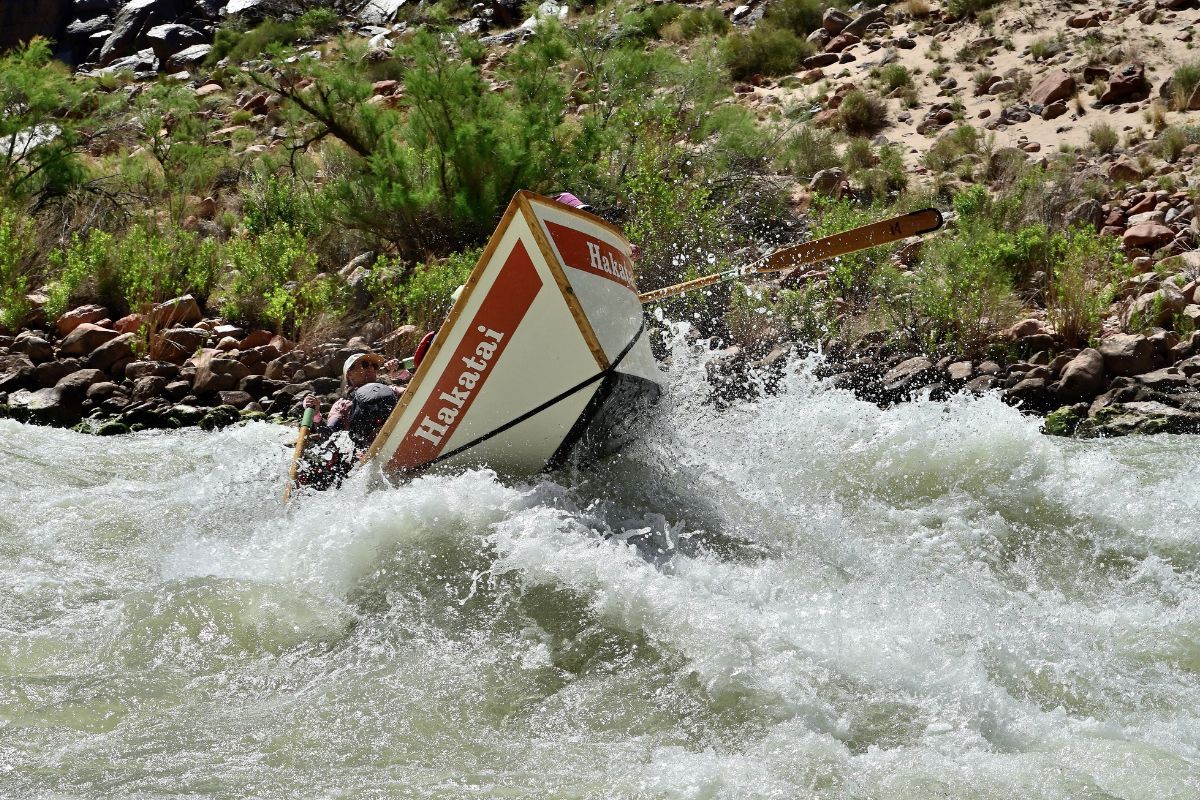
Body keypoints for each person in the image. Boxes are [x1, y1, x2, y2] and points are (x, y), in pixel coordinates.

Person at [296, 353, 409, 488]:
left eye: (374, 366)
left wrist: (401, 374)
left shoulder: (391, 390)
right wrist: (316, 416)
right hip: (365, 456)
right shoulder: (342, 405)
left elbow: (415, 392)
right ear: (349, 374)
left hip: (400, 437)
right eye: (365, 365)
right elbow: (329, 436)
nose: (371, 368)